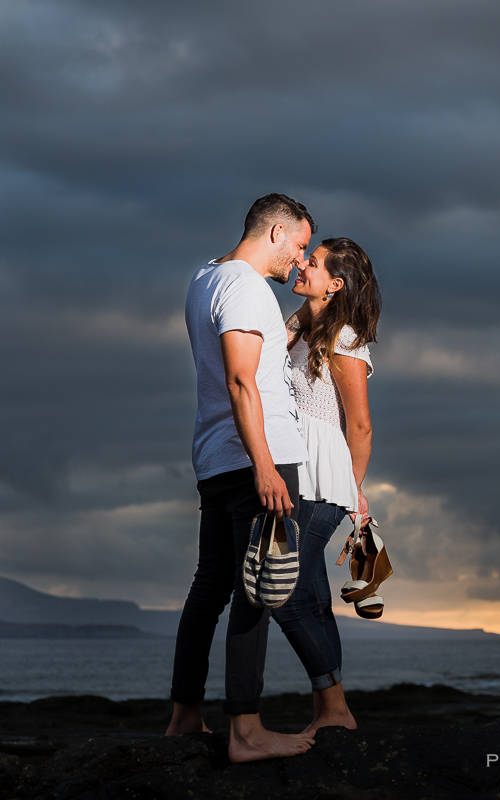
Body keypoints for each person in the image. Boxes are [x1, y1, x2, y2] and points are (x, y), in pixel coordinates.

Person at [167, 194, 315, 762]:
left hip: (214, 456)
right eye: (299, 246)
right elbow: (241, 380)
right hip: (258, 458)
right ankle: (246, 732)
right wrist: (265, 465)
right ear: (276, 231)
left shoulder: (205, 277)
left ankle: (184, 717)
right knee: (259, 592)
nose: (300, 261)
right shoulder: (248, 286)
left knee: (212, 586)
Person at [272, 237, 381, 735]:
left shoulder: (345, 339)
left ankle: (336, 710)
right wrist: (305, 304)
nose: (301, 264)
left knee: (286, 594)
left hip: (322, 482)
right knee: (313, 599)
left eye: (311, 264)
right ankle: (330, 716)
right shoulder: (302, 329)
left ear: (336, 284)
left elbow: (359, 426)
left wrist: (350, 488)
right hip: (298, 474)